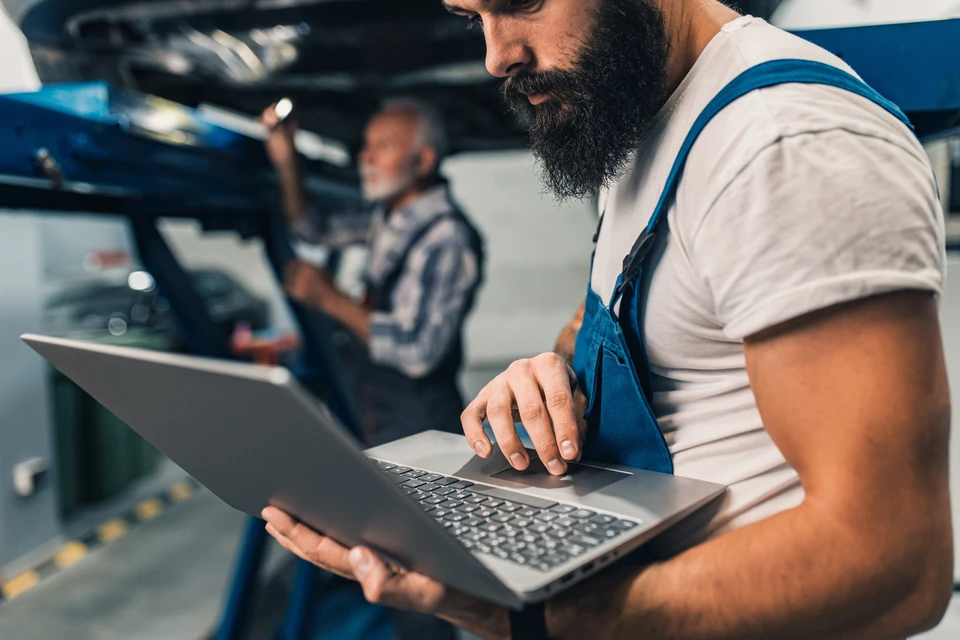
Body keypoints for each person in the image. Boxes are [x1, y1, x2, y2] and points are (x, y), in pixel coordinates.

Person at [262, 1, 954, 638]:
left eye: (520, 2)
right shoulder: (648, 127)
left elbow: (893, 564)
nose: (495, 55)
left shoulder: (780, 143)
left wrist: (531, 620)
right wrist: (549, 371)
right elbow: (622, 316)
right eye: (473, 16)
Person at [262, 98, 484, 447]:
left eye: (383, 145)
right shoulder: (387, 217)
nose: (365, 157)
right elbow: (311, 228)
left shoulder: (447, 238)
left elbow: (416, 351)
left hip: (422, 425)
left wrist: (330, 299)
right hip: (379, 411)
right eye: (366, 145)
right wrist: (287, 162)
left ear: (423, 160)